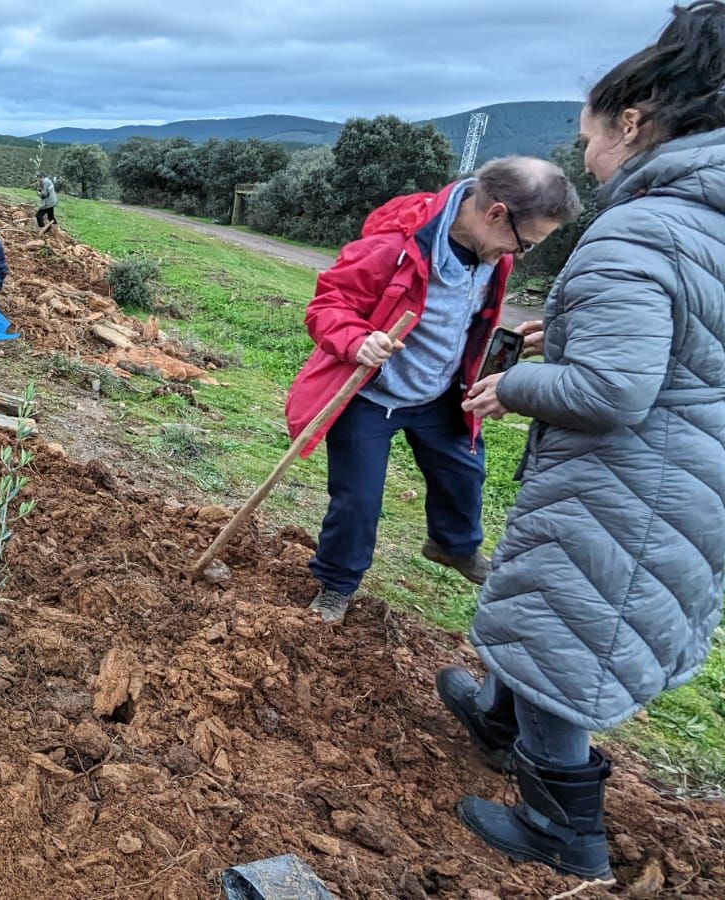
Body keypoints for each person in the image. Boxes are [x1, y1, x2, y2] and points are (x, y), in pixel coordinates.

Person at [438, 1, 725, 879]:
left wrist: (520, 382)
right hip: (690, 472)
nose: (587, 155)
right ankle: (498, 717)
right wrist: (558, 342)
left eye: (589, 134)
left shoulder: (642, 226)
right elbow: (685, 355)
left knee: (570, 623)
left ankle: (567, 832)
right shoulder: (707, 225)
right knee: (551, 610)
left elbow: (611, 390)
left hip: (629, 485)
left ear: (633, 122)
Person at [283, 156, 581, 625]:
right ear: (495, 213)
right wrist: (357, 340)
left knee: (464, 473)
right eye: (526, 243)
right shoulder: (394, 245)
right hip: (371, 396)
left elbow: (466, 319)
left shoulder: (491, 253)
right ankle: (336, 584)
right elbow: (328, 305)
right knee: (357, 501)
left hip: (439, 395)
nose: (520, 255)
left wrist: (510, 347)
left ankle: (452, 545)